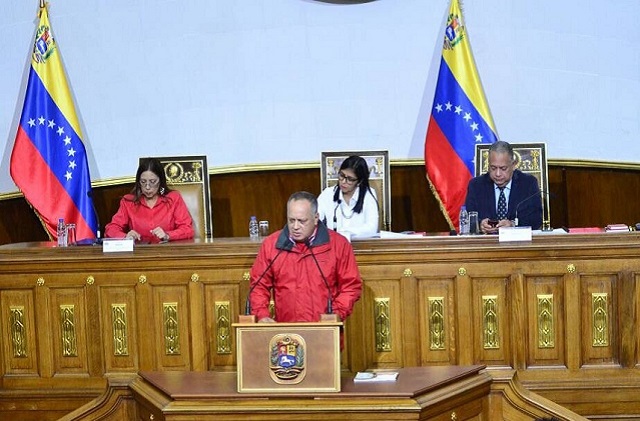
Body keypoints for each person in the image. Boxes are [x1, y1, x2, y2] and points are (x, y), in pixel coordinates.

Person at [249, 191, 362, 323]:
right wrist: (262, 315)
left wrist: (336, 314)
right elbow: (258, 286)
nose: (295, 227)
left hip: (326, 332)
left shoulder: (338, 245)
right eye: (291, 220)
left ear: (315, 218)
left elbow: (350, 286)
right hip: (286, 335)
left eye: (302, 221)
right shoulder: (272, 245)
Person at [105, 158, 194, 243]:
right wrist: (125, 237)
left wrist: (167, 235)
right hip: (138, 255)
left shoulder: (173, 198)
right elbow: (111, 228)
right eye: (143, 182)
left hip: (167, 253)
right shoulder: (128, 201)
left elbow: (188, 229)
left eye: (152, 181)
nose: (147, 187)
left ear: (161, 181)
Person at [464, 141, 542, 233]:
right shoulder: (476, 185)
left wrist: (513, 225)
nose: (497, 174)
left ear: (513, 165)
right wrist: (480, 225)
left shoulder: (528, 184)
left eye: (503, 168)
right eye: (493, 168)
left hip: (518, 243)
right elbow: (470, 217)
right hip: (486, 244)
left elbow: (536, 219)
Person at [317, 155, 379, 238]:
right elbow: (315, 220)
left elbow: (371, 229)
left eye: (350, 179)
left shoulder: (368, 195)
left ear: (359, 181)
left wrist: (344, 233)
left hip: (360, 246)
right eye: (341, 175)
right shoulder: (328, 194)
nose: (343, 181)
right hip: (333, 246)